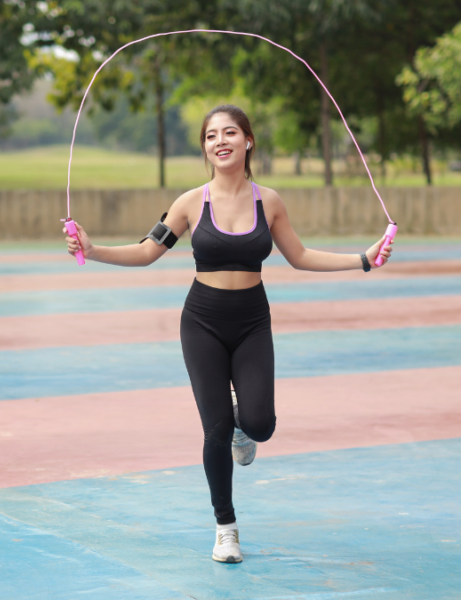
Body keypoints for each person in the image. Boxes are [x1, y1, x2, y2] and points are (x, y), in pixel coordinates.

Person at [63, 104, 393, 564]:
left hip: (253, 320)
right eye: (211, 135)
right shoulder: (189, 203)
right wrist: (93, 249)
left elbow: (298, 256)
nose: (221, 141)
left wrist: (363, 259)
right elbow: (146, 252)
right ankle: (226, 527)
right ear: (205, 147)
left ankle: (244, 427)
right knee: (214, 428)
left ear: (248, 141)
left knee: (260, 424)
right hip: (201, 321)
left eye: (230, 132)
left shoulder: (269, 201)